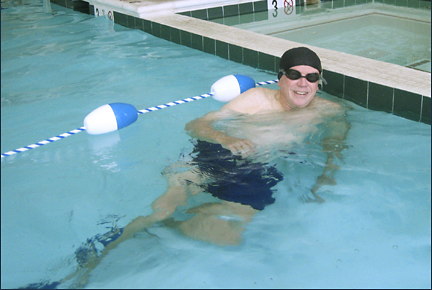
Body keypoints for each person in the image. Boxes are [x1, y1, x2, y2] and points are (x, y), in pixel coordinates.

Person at [34, 47, 350, 289]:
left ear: (318, 82)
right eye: (295, 75)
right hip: (215, 155)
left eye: (311, 77)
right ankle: (81, 270)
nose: (302, 83)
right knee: (160, 209)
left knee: (228, 237)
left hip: (257, 171)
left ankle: (163, 228)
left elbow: (335, 147)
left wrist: (327, 177)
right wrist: (224, 138)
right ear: (280, 77)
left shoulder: (329, 112)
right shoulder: (254, 99)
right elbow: (195, 123)